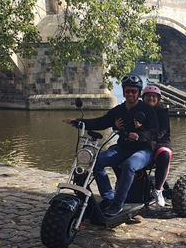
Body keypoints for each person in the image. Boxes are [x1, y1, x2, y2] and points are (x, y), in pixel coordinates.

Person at [64, 74, 159, 216]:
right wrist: (79, 122)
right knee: (96, 161)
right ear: (124, 92)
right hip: (123, 148)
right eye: (128, 91)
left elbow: (155, 132)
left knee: (129, 164)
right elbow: (101, 121)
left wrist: (139, 135)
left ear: (139, 93)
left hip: (143, 150)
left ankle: (118, 204)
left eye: (134, 91)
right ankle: (108, 198)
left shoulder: (148, 110)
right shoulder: (119, 110)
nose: (130, 94)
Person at [141, 85, 172, 207]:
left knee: (164, 154)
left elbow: (161, 132)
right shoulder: (139, 111)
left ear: (158, 99)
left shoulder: (162, 113)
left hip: (160, 141)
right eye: (148, 96)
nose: (151, 98)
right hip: (145, 141)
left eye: (154, 96)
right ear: (143, 97)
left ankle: (158, 190)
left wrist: (141, 133)